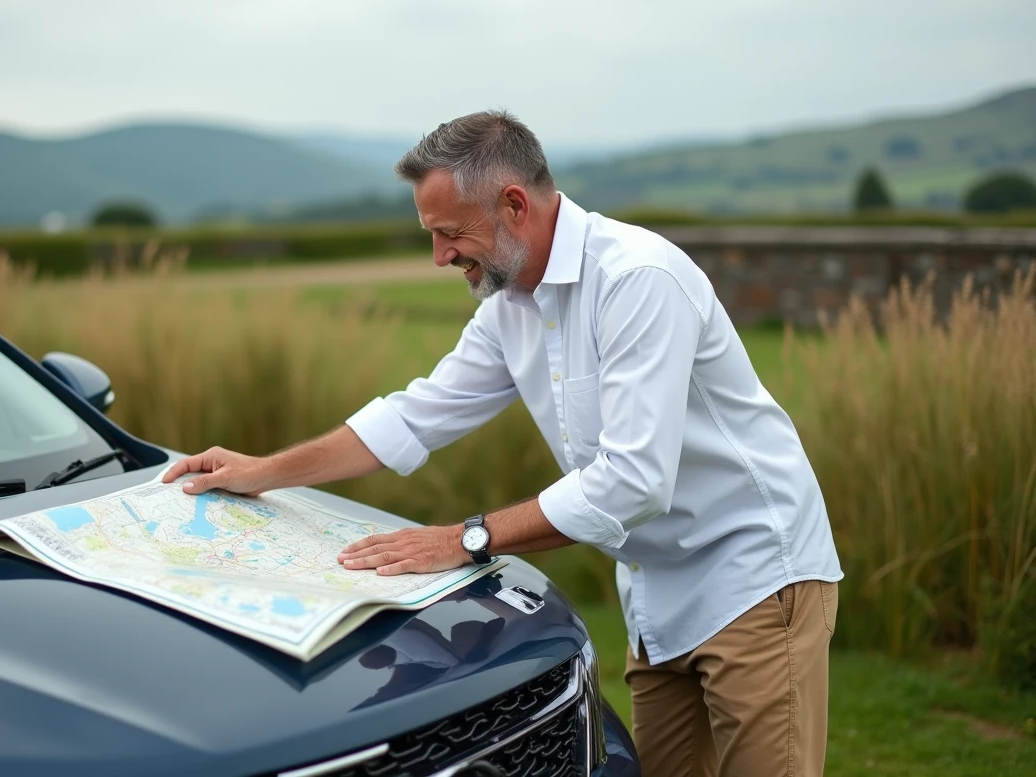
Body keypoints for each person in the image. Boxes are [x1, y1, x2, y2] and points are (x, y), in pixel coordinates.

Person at [163, 110, 843, 776]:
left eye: (450, 232)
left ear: (514, 205)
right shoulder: (508, 303)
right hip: (655, 596)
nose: (439, 257)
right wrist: (265, 472)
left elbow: (634, 479)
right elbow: (415, 416)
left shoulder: (638, 280)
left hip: (756, 580)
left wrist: (466, 538)